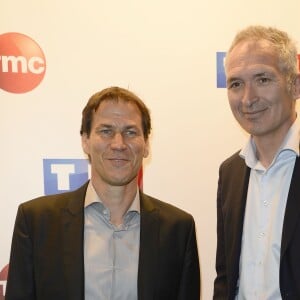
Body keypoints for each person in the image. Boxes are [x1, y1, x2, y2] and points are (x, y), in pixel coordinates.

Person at [5, 86, 200, 300]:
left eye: (131, 132)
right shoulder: (37, 222)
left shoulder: (178, 229)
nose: (119, 144)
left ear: (146, 145)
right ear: (85, 141)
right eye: (106, 131)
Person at [213, 25, 300, 300]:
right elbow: (226, 278)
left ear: (295, 85)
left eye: (263, 79)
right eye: (236, 84)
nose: (248, 99)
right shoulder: (230, 173)